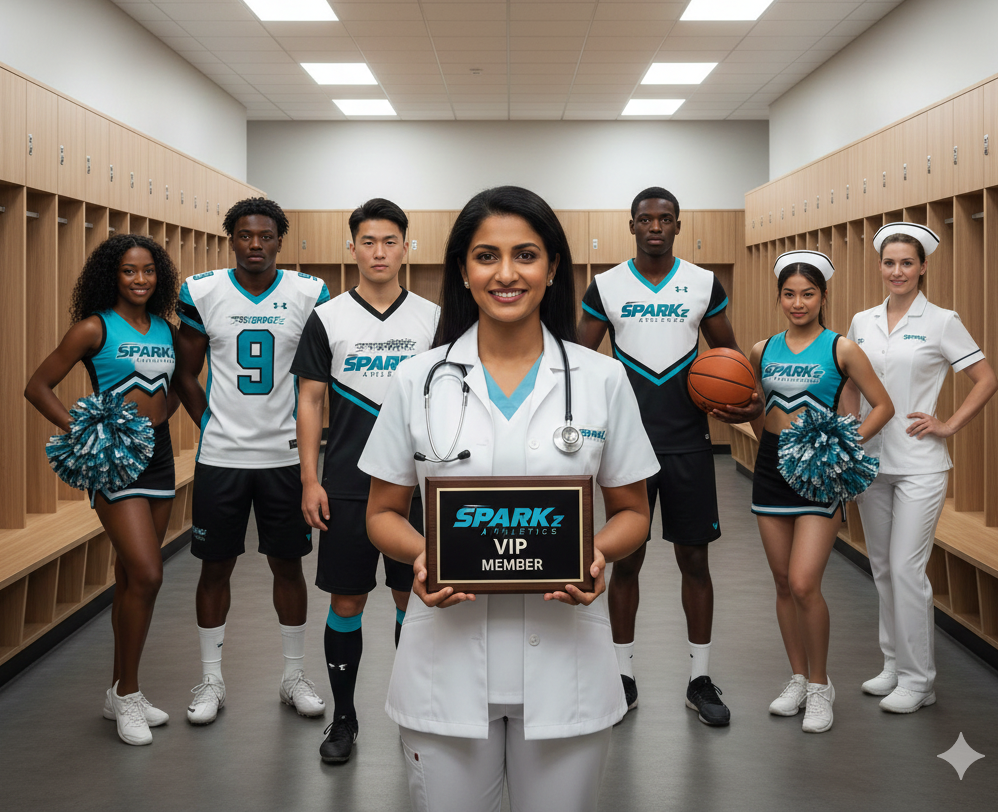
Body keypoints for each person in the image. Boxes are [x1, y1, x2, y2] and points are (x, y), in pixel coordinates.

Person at [362, 187, 655, 812]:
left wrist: (595, 555)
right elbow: (382, 513)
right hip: (445, 665)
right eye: (485, 256)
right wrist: (422, 556)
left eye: (525, 255)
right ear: (463, 272)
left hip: (566, 663)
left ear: (551, 269)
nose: (506, 273)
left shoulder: (602, 378)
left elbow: (633, 512)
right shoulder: (417, 379)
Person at [576, 187, 761, 726]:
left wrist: (745, 404)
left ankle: (699, 678)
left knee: (695, 561)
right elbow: (577, 363)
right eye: (645, 219)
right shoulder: (606, 286)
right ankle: (622, 675)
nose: (654, 226)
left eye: (664, 219)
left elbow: (729, 361)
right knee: (625, 560)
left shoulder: (703, 283)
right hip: (627, 445)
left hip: (688, 443)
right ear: (630, 225)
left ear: (678, 226)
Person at [294, 198, 440, 764]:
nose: (379, 252)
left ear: (407, 247)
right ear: (351, 247)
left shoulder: (431, 317)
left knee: (414, 597)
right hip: (350, 483)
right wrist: (311, 479)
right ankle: (345, 718)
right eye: (368, 242)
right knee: (348, 601)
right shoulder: (328, 318)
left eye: (390, 241)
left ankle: (413, 714)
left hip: (418, 488)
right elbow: (309, 401)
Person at [174, 198, 330, 725]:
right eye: (245, 235)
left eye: (265, 236)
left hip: (285, 458)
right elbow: (184, 373)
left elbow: (317, 379)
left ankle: (292, 674)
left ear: (280, 241)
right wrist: (210, 423)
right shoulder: (202, 291)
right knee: (214, 567)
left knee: (288, 565)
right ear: (232, 239)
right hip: (222, 458)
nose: (255, 245)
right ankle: (211, 678)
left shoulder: (309, 293)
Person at [25, 234, 180, 746]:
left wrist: (158, 429)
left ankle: (119, 692)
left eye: (148, 271)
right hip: (114, 462)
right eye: (129, 271)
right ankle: (130, 692)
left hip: (157, 458)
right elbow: (37, 385)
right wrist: (84, 431)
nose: (140, 280)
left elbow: (171, 391)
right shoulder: (94, 327)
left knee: (132, 579)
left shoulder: (164, 328)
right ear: (111, 276)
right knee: (149, 573)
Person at [843, 223, 997, 714]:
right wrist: (845, 432)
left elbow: (986, 378)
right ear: (881, 266)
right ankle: (894, 664)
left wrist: (947, 424)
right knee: (884, 568)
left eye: (907, 263)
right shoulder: (862, 320)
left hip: (920, 466)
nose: (897, 271)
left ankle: (919, 679)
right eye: (889, 263)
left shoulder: (942, 321)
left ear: (923, 266)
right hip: (870, 461)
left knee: (909, 569)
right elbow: (849, 380)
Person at [747, 250, 893, 733]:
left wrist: (845, 446)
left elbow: (883, 406)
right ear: (779, 297)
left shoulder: (841, 348)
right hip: (771, 470)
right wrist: (761, 439)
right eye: (789, 294)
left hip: (820, 474)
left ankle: (819, 685)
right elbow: (754, 407)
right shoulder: (761, 348)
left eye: (808, 294)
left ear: (823, 296)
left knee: (805, 581)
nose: (798, 302)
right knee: (783, 583)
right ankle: (796, 677)